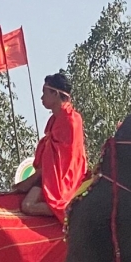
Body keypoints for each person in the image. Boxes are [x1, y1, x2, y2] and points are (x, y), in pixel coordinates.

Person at [15, 73, 87, 222]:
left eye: (44, 93)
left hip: (65, 179)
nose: (41, 98)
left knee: (28, 205)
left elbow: (64, 161)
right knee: (22, 202)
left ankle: (69, 211)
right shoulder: (54, 120)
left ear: (55, 94)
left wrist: (30, 180)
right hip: (48, 176)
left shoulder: (72, 120)